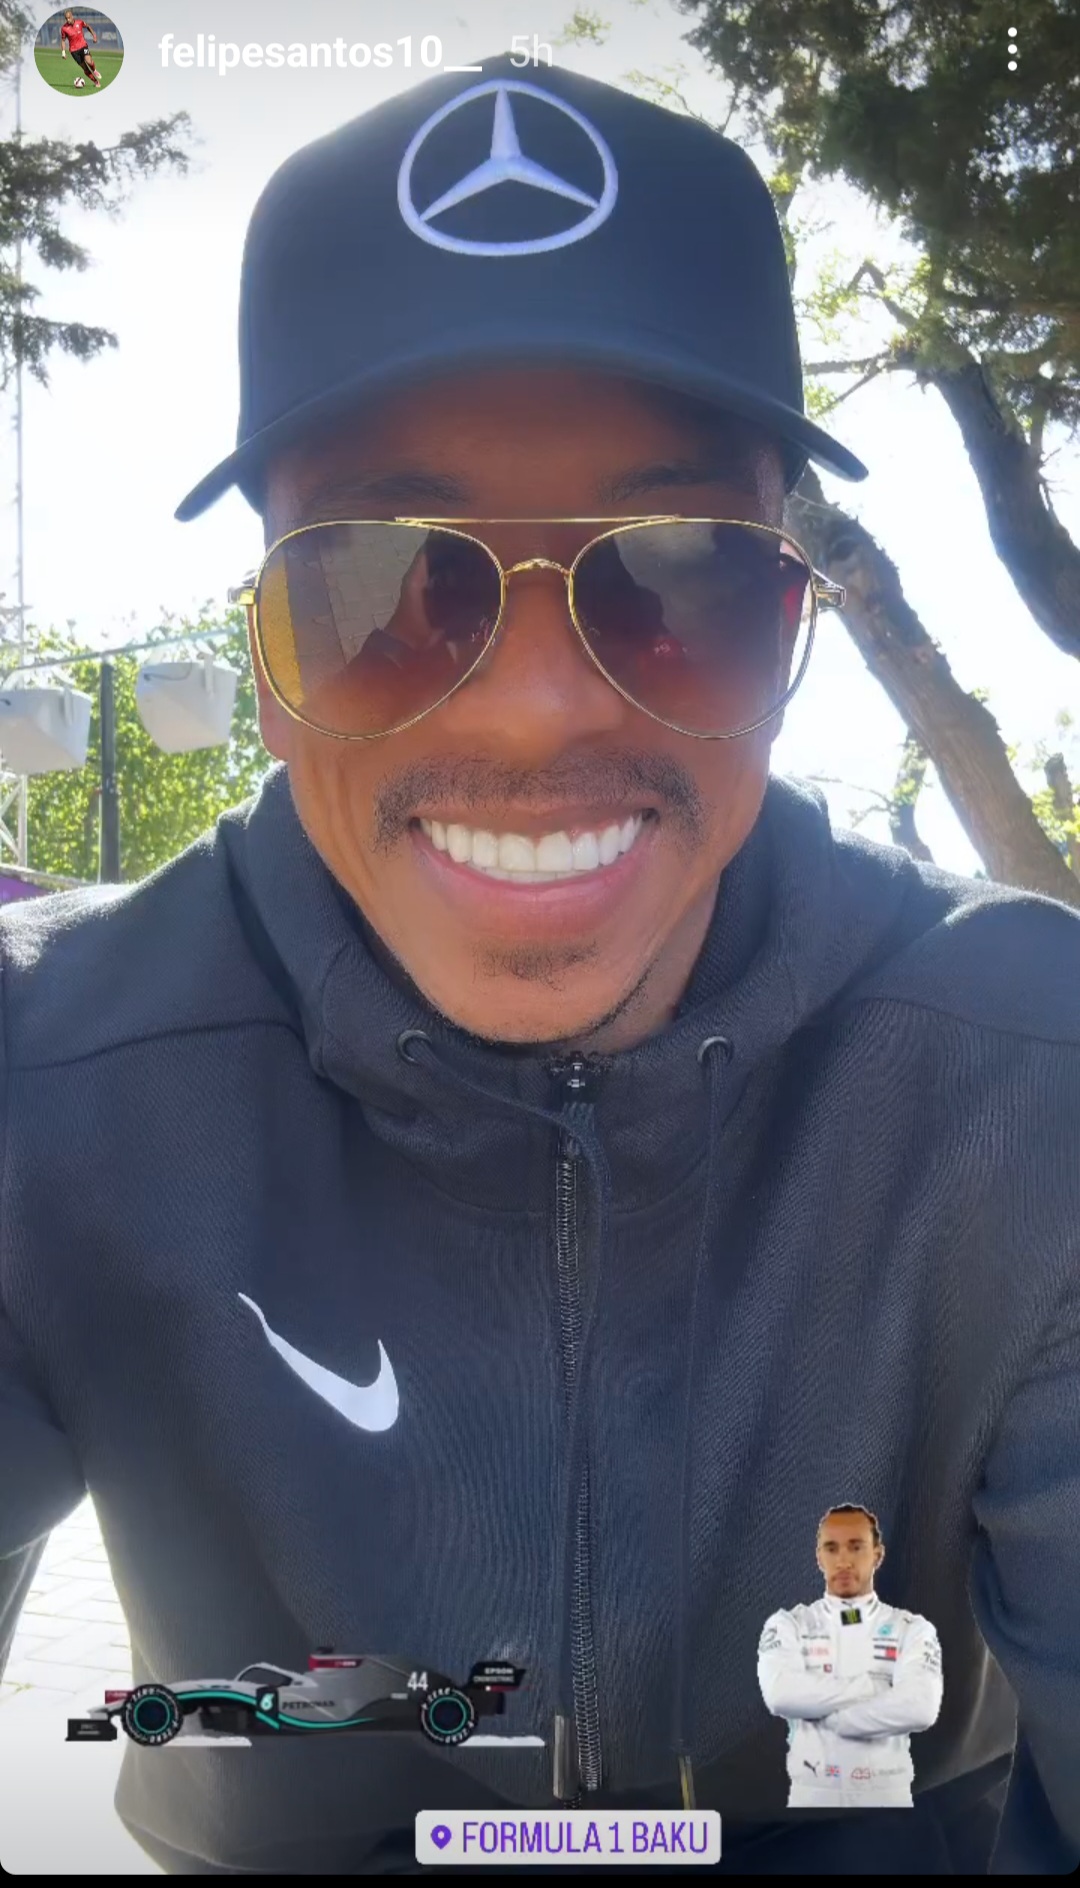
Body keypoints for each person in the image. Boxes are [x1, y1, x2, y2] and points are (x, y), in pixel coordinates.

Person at [1, 51, 1079, 1878]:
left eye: (678, 572)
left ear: (793, 626)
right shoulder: (46, 1079)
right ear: (266, 657)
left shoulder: (1033, 1075)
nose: (533, 709)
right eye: (381, 583)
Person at [758, 1505, 943, 1810]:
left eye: (856, 1547)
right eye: (832, 1549)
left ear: (878, 1555)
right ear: (819, 1557)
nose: (843, 1561)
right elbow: (781, 1695)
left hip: (887, 1799)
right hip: (812, 1798)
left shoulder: (912, 1629)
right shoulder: (788, 1624)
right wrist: (872, 1688)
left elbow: (921, 1707)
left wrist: (841, 1721)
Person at [59, 9, 102, 87]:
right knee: (85, 68)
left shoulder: (80, 22)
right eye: (66, 18)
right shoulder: (64, 28)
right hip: (74, 51)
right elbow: (63, 40)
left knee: (89, 61)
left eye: (69, 17)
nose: (68, 20)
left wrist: (94, 35)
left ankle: (94, 70)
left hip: (83, 46)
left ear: (72, 16)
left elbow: (88, 26)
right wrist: (63, 52)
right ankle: (96, 82)